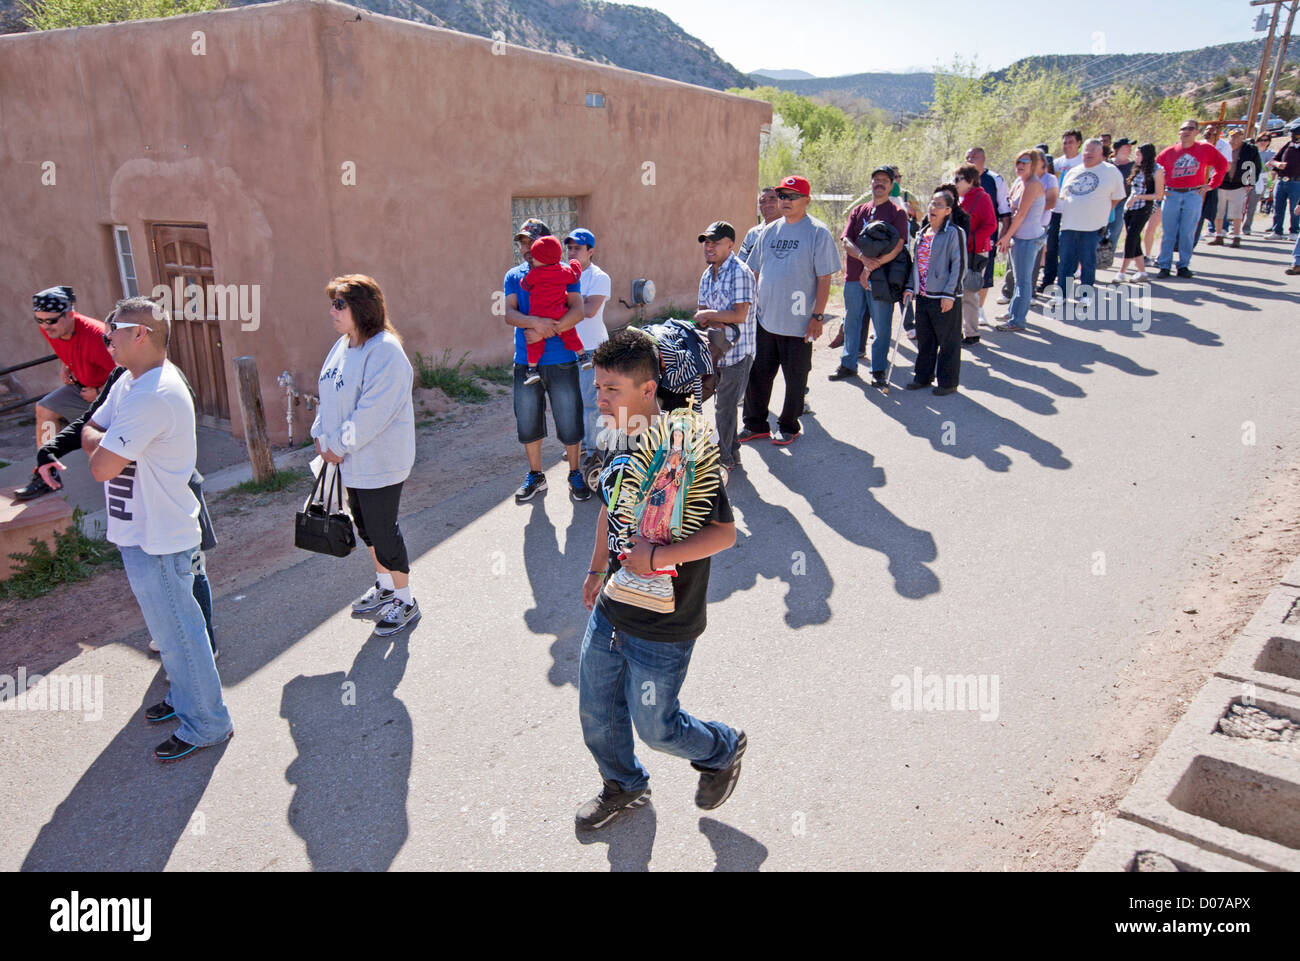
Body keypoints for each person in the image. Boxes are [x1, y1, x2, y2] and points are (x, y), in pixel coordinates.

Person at [575, 329, 744, 830]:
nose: (601, 399)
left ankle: (720, 746)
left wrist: (658, 554)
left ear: (648, 390)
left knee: (658, 727)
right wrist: (597, 566)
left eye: (613, 390)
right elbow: (610, 507)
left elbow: (725, 534)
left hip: (665, 620)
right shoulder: (616, 437)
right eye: (598, 387)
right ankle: (623, 784)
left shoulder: (683, 450)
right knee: (596, 712)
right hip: (613, 605)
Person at [84, 297, 233, 762]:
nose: (106, 337)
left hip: (161, 536)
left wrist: (102, 444)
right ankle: (186, 701)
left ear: (141, 334)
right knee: (168, 633)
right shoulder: (131, 383)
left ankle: (208, 723)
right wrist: (101, 441)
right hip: (138, 531)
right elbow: (92, 429)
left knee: (181, 633)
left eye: (114, 330)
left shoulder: (153, 394)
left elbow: (102, 466)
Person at [35, 358, 221, 657]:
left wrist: (109, 439)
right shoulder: (123, 377)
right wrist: (51, 448)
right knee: (157, 579)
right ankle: (171, 637)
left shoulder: (163, 380)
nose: (111, 346)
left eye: (114, 337)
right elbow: (91, 421)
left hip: (176, 489)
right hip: (138, 497)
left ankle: (204, 644)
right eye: (108, 340)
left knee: (191, 569)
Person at [313, 275, 419, 638]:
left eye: (339, 304)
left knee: (382, 530)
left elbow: (373, 411)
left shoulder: (385, 351)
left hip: (380, 462)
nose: (332, 312)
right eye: (332, 303)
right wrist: (319, 435)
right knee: (364, 527)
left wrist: (336, 446)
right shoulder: (342, 346)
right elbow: (327, 394)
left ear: (363, 308)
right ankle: (385, 587)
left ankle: (405, 599)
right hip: (349, 461)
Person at [740, 175, 838, 446]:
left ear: (806, 200)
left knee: (795, 377)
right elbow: (754, 270)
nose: (784, 201)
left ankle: (788, 425)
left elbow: (824, 278)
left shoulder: (817, 232)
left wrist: (817, 316)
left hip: (799, 322)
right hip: (765, 319)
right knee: (758, 374)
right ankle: (755, 424)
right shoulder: (770, 231)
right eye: (782, 195)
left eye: (791, 196)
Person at [504, 218, 592, 503]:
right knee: (528, 420)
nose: (526, 247)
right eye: (522, 242)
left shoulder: (566, 272)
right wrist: (535, 322)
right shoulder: (514, 276)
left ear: (545, 242)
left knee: (569, 417)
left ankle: (575, 472)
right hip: (526, 360)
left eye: (531, 241)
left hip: (562, 358)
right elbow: (510, 314)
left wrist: (548, 329)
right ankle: (536, 475)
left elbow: (578, 310)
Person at [13, 286, 115, 501]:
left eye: (50, 321)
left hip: (110, 397)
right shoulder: (53, 328)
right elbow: (65, 346)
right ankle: (46, 473)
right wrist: (66, 365)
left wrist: (98, 392)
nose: (45, 327)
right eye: (39, 321)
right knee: (45, 408)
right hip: (82, 388)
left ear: (70, 314)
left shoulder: (98, 337)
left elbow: (127, 373)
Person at [833, 166, 908, 385]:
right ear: (870, 183)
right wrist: (864, 261)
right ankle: (848, 364)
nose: (880, 183)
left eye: (885, 180)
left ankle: (878, 370)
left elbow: (898, 246)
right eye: (876, 179)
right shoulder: (858, 211)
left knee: (881, 325)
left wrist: (872, 267)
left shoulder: (897, 213)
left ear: (892, 185)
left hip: (881, 279)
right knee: (852, 321)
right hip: (854, 277)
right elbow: (846, 240)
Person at [693, 220, 755, 472]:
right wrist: (708, 317)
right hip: (716, 350)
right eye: (706, 243)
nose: (709, 247)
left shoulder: (740, 272)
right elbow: (702, 314)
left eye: (715, 242)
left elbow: (740, 315)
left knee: (724, 406)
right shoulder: (708, 275)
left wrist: (710, 314)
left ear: (731, 245)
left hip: (738, 351)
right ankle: (734, 452)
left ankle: (724, 458)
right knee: (724, 405)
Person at [902, 191, 966, 395]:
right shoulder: (923, 233)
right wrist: (911, 287)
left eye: (938, 205)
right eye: (931, 203)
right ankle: (923, 377)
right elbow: (916, 265)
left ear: (948, 210)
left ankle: (947, 383)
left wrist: (950, 294)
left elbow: (959, 264)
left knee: (948, 341)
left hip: (944, 297)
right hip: (923, 297)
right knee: (926, 339)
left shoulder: (955, 233)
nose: (932, 208)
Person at [563, 228, 611, 480]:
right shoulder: (562, 274)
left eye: (577, 248)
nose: (572, 251)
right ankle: (577, 445)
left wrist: (567, 301)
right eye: (569, 247)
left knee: (592, 402)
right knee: (569, 402)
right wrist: (573, 300)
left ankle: (594, 451)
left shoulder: (599, 277)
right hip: (566, 347)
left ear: (591, 251)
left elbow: (590, 310)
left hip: (592, 347)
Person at [1054, 138, 1127, 294]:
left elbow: (1118, 197)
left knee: (1088, 263)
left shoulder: (1110, 171)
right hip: (1068, 225)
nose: (1088, 154)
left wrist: (1101, 211)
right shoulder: (1073, 171)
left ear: (1101, 152)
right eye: (1086, 150)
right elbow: (1064, 197)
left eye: (1092, 150)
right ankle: (1062, 294)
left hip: (1093, 227)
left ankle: (1085, 295)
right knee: (1065, 264)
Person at [1155, 120, 1226, 279]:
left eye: (1190, 128)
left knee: (1187, 232)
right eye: (1183, 129)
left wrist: (1212, 184)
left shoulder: (1205, 149)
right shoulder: (1168, 152)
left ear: (1196, 132)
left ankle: (1183, 265)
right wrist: (1160, 189)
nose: (1186, 131)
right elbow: (1154, 171)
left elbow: (1222, 165)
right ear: (1179, 132)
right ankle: (1164, 265)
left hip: (1193, 195)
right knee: (1168, 233)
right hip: (1171, 195)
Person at [520, 236, 589, 384]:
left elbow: (524, 285)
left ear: (542, 259)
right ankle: (583, 357)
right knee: (571, 334)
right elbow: (575, 276)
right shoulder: (563, 271)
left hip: (539, 314)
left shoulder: (535, 274)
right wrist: (575, 264)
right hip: (560, 313)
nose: (533, 260)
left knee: (534, 343)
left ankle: (532, 370)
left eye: (536, 257)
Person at [995, 149, 1047, 332]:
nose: (1020, 165)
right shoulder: (1020, 182)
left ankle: (1018, 320)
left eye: (1025, 162)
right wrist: (1007, 235)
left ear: (1033, 164)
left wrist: (1006, 237)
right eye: (1018, 162)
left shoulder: (1033, 184)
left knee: (1024, 281)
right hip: (1019, 237)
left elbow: (1021, 214)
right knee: (1018, 280)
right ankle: (1013, 311)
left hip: (1028, 238)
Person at [964, 147, 1010, 323]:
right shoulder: (960, 178)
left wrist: (1005, 235)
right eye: (967, 156)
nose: (970, 159)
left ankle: (979, 309)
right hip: (964, 235)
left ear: (983, 158)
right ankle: (965, 311)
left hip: (986, 234)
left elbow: (1004, 209)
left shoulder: (994, 179)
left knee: (983, 271)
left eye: (974, 156)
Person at [953, 164, 995, 345]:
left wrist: (969, 241)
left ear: (969, 180)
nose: (954, 183)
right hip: (962, 251)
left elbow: (991, 225)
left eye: (957, 179)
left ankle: (971, 332)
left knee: (970, 292)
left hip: (975, 253)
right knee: (958, 293)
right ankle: (961, 329)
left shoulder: (982, 197)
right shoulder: (961, 200)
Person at [1041, 130, 1084, 293]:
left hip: (1074, 211)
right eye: (1064, 142)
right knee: (1051, 247)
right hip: (1055, 210)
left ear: (1079, 143)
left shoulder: (1083, 163)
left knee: (1069, 249)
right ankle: (1048, 281)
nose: (1067, 145)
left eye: (1070, 142)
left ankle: (1065, 282)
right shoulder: (1057, 162)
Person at [1115, 143, 1163, 283]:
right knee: (1134, 239)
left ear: (1146, 155)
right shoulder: (1136, 168)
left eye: (1138, 154)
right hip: (1130, 208)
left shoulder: (1157, 170)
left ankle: (1122, 271)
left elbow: (1159, 195)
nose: (1135, 157)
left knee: (1131, 237)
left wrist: (1138, 197)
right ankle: (1142, 272)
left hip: (1144, 207)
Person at [1211, 128, 1262, 247]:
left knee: (1237, 212)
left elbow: (1255, 166)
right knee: (1218, 211)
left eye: (1238, 136)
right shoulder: (1224, 147)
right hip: (1221, 183)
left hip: (1239, 184)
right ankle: (1218, 235)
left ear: (1242, 137)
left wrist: (1250, 182)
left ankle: (1236, 237)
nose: (1235, 138)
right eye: (1233, 136)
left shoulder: (1250, 149)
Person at [1194, 125, 1232, 244]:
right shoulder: (1198, 144)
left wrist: (1213, 163)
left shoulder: (1224, 146)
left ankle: (1196, 234)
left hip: (1210, 182)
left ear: (1217, 133)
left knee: (1204, 210)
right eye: (1206, 130)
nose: (1207, 132)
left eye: (1211, 131)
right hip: (1196, 181)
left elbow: (1227, 166)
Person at [1265, 124, 1300, 238]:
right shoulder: (1288, 146)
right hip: (1281, 181)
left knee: (1294, 208)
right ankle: (1277, 231)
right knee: (1278, 207)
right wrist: (1277, 164)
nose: (1294, 137)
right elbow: (1274, 159)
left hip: (1296, 182)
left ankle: (1294, 231)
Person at [1105, 138, 1136, 251]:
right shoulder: (1108, 163)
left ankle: (1109, 255)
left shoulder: (1133, 165)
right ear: (1118, 148)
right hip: (1105, 201)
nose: (1129, 149)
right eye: (1126, 146)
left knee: (1115, 230)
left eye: (1130, 147)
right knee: (1100, 229)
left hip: (1122, 202)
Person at [1243, 133, 1276, 234]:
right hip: (1246, 179)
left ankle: (1246, 227)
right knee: (1240, 204)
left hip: (1260, 181)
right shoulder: (1250, 151)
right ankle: (1234, 226)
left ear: (1269, 142)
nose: (1263, 142)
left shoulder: (1271, 154)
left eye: (1265, 140)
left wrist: (1271, 185)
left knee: (1251, 206)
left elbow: (1272, 170)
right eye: (1261, 140)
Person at [739, 187, 779, 260]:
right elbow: (741, 262)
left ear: (781, 202)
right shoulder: (752, 234)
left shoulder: (789, 230)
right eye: (763, 201)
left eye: (772, 199)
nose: (767, 205)